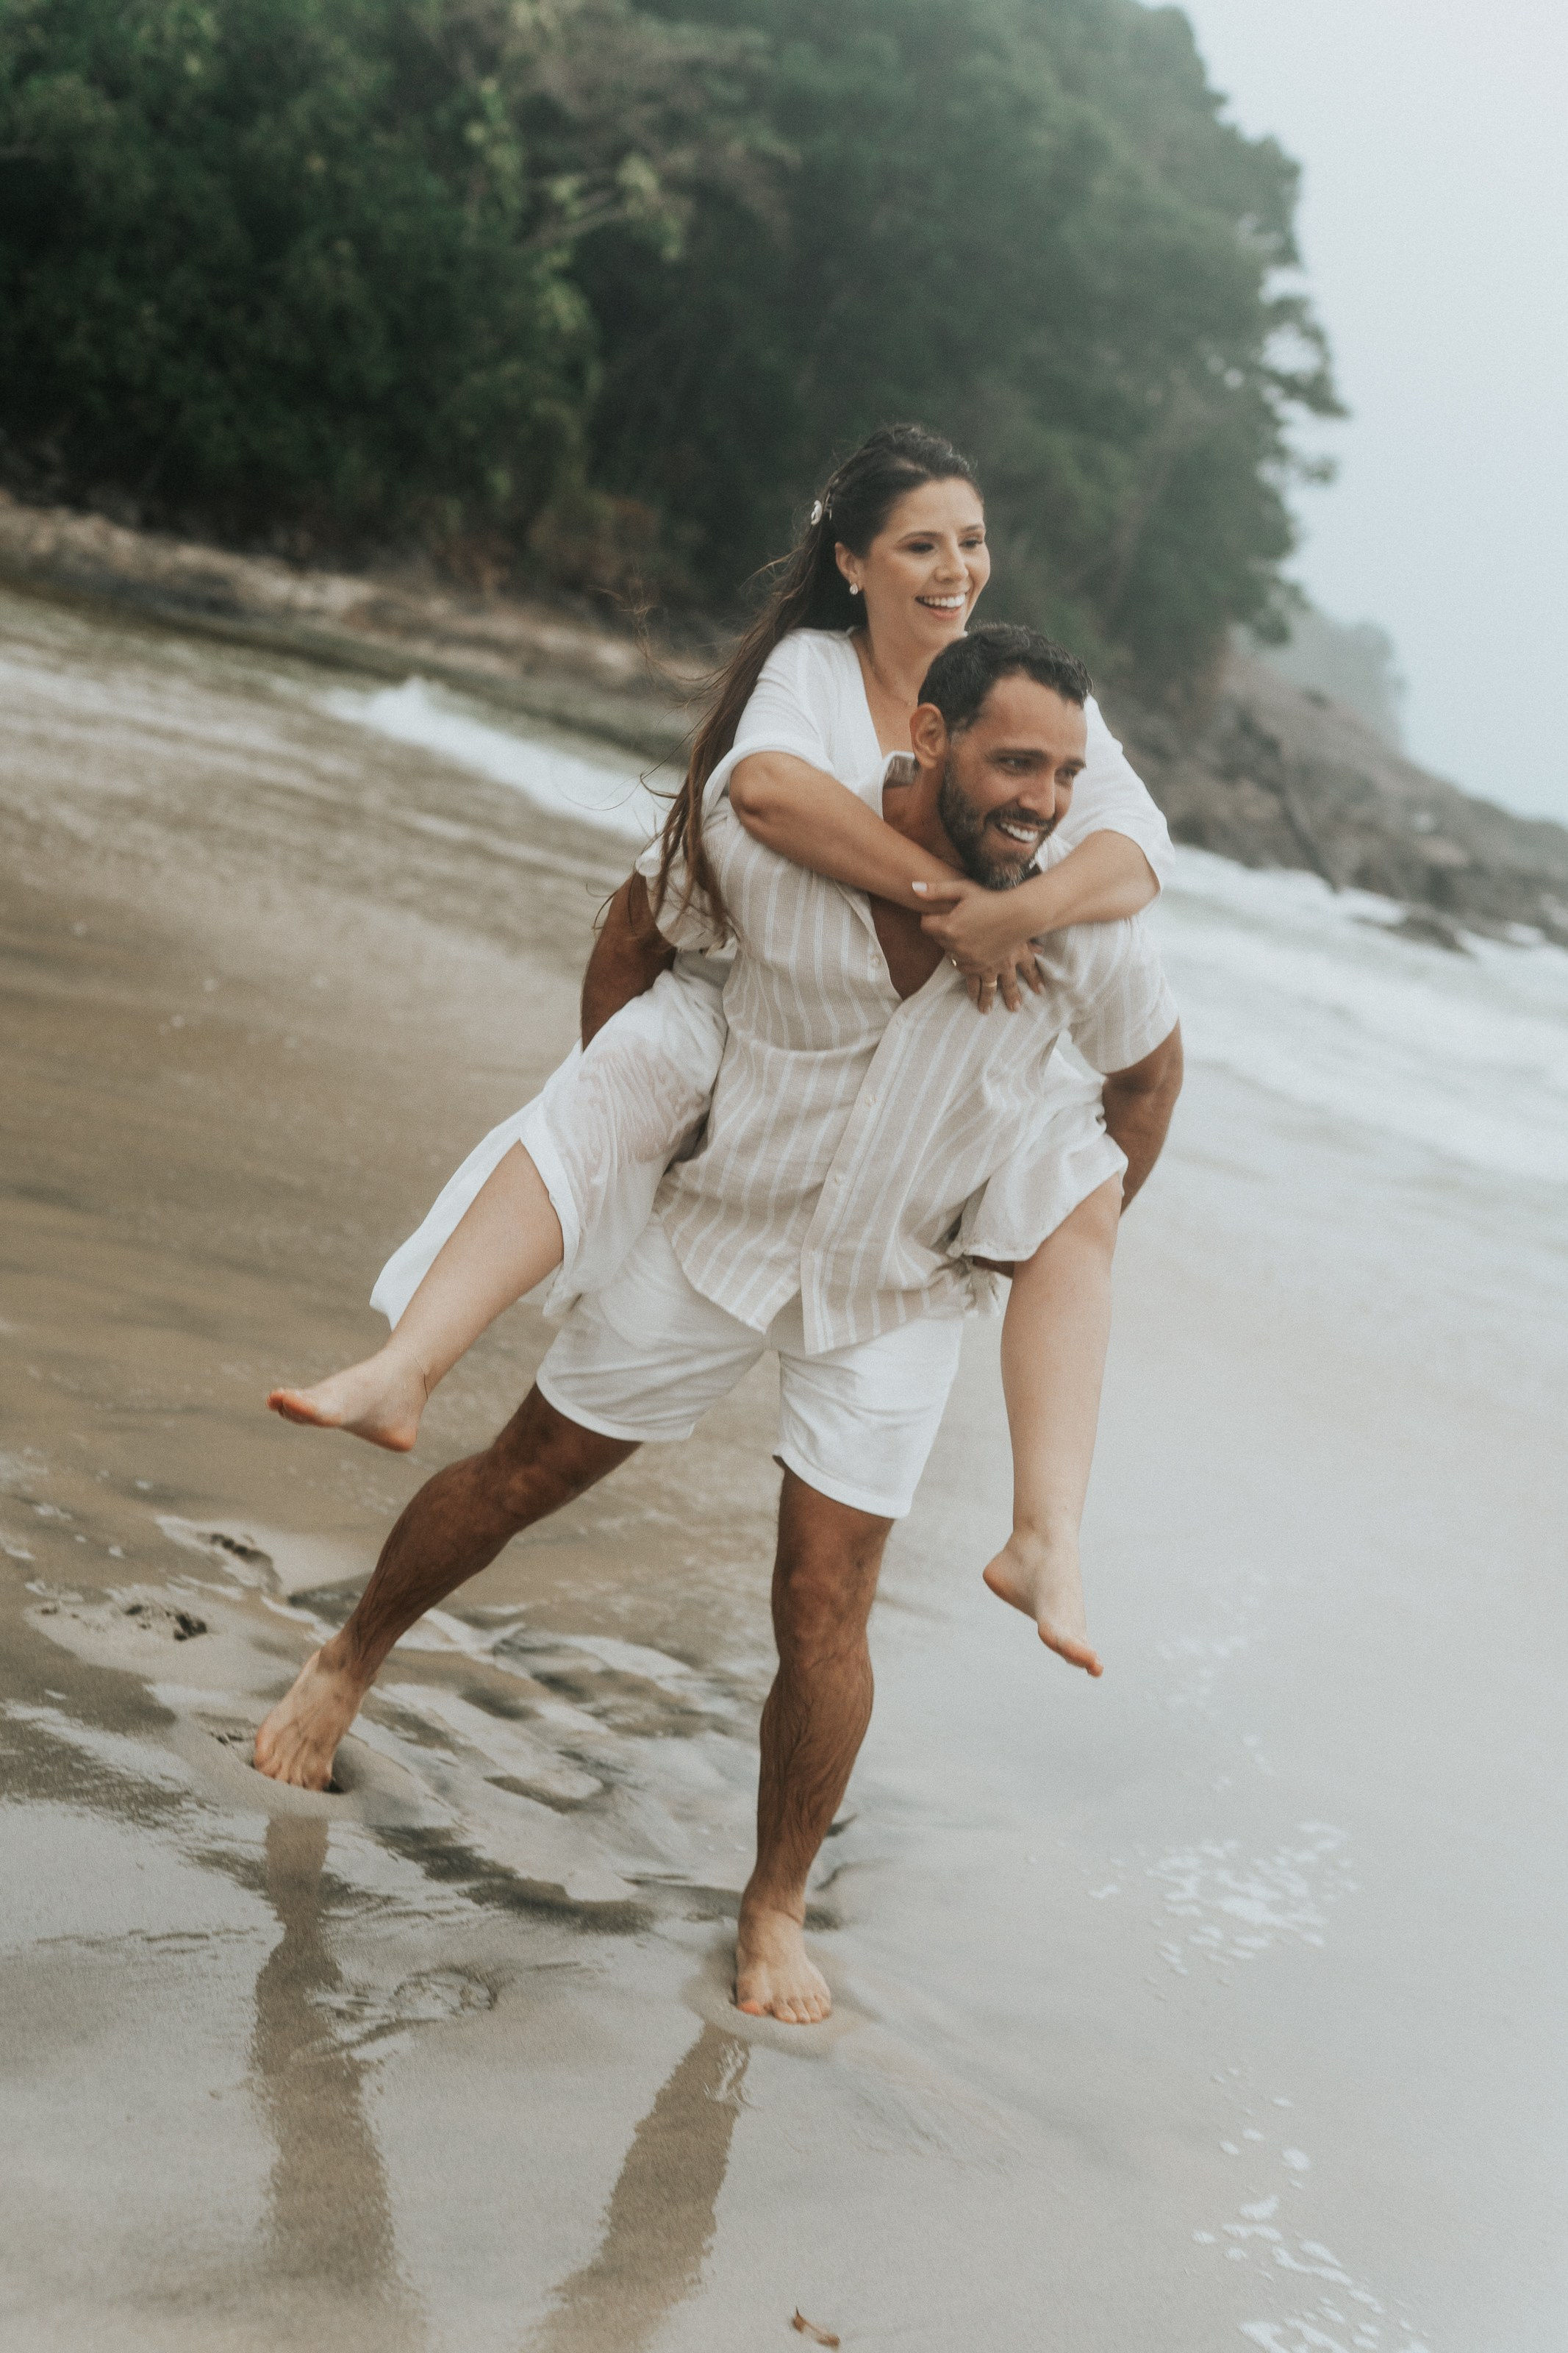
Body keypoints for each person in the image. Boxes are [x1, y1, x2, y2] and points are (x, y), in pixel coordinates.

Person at [254, 624, 1183, 2026]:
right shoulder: (778, 847)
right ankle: (345, 1663)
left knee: (825, 1603)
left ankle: (774, 1906)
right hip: (721, 1230)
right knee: (526, 1472)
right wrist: (635, 1137)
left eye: (1063, 775)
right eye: (1013, 765)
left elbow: (1147, 1085)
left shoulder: (1081, 936)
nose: (1041, 803)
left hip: (895, 1289)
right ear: (930, 739)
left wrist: (1037, 1227)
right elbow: (638, 934)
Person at [267, 429, 1173, 1663]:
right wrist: (953, 902)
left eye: (970, 541)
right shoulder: (814, 669)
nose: (955, 568)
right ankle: (406, 1368)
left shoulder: (1025, 705)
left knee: (1073, 1180)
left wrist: (1019, 912)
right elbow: (761, 797)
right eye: (921, 544)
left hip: (924, 1127)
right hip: (756, 1028)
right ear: (850, 561)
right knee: (627, 1075)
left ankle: (1047, 1534)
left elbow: (1133, 855)